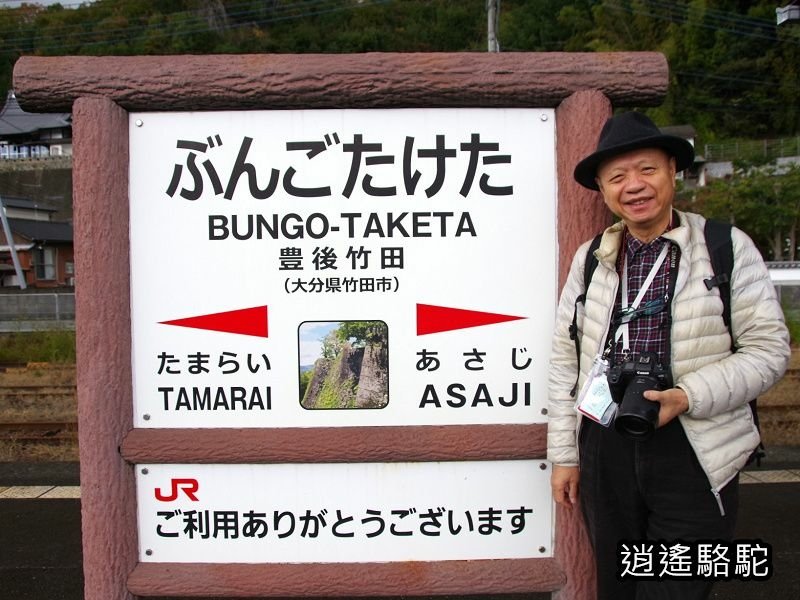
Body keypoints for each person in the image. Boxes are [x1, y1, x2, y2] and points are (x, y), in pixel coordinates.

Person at [547, 111, 790, 600]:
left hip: (696, 446)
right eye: (617, 177)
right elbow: (564, 359)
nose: (634, 186)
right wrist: (565, 455)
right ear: (601, 187)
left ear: (672, 172)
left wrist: (686, 396)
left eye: (647, 170)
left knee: (680, 586)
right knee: (618, 584)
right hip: (606, 441)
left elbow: (768, 350)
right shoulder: (591, 257)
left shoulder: (725, 247)